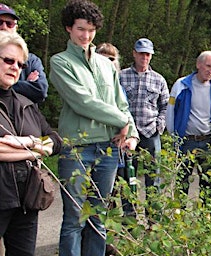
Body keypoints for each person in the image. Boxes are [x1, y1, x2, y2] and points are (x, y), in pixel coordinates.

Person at [49, 1, 138, 255]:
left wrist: (131, 130)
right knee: (74, 218)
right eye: (80, 29)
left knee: (99, 217)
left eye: (90, 30)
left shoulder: (106, 65)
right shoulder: (60, 62)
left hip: (109, 150)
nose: (85, 36)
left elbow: (121, 102)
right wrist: (121, 121)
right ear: (69, 28)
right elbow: (82, 102)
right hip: (77, 149)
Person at [0, 31, 62, 256]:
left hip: (27, 201)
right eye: (8, 60)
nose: (15, 67)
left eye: (20, 63)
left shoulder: (26, 104)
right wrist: (34, 151)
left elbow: (55, 140)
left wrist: (26, 142)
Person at [165, 50, 211, 192]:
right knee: (182, 182)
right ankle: (179, 213)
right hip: (186, 142)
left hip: (208, 142)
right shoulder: (181, 85)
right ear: (198, 64)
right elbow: (170, 112)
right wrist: (174, 136)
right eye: (208, 66)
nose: (210, 71)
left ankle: (205, 214)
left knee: (207, 185)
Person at [120, 38, 169, 188]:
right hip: (128, 133)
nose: (144, 58)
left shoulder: (158, 80)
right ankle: (130, 210)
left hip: (150, 132)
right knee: (128, 175)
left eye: (148, 54)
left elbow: (166, 106)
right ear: (134, 54)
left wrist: (159, 125)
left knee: (153, 175)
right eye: (141, 54)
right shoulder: (121, 76)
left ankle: (153, 211)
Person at [0, 3, 48, 104]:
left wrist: (7, 83)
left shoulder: (31, 60)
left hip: (23, 117)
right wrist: (27, 84)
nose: (4, 27)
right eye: (8, 61)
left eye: (9, 24)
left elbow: (40, 91)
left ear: (16, 28)